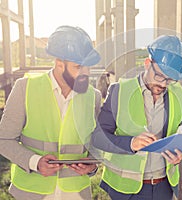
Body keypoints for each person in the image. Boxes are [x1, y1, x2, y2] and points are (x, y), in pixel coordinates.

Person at [0, 25, 128, 200]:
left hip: (76, 192)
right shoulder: (25, 88)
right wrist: (35, 162)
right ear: (59, 64)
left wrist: (92, 166)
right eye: (79, 67)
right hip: (32, 191)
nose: (86, 73)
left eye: (88, 67)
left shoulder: (94, 97)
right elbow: (4, 139)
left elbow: (98, 143)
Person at [92, 35, 182, 200]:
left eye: (170, 79)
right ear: (147, 64)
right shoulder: (119, 91)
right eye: (159, 76)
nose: (163, 84)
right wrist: (131, 143)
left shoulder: (181, 95)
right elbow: (98, 137)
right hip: (125, 190)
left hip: (164, 188)